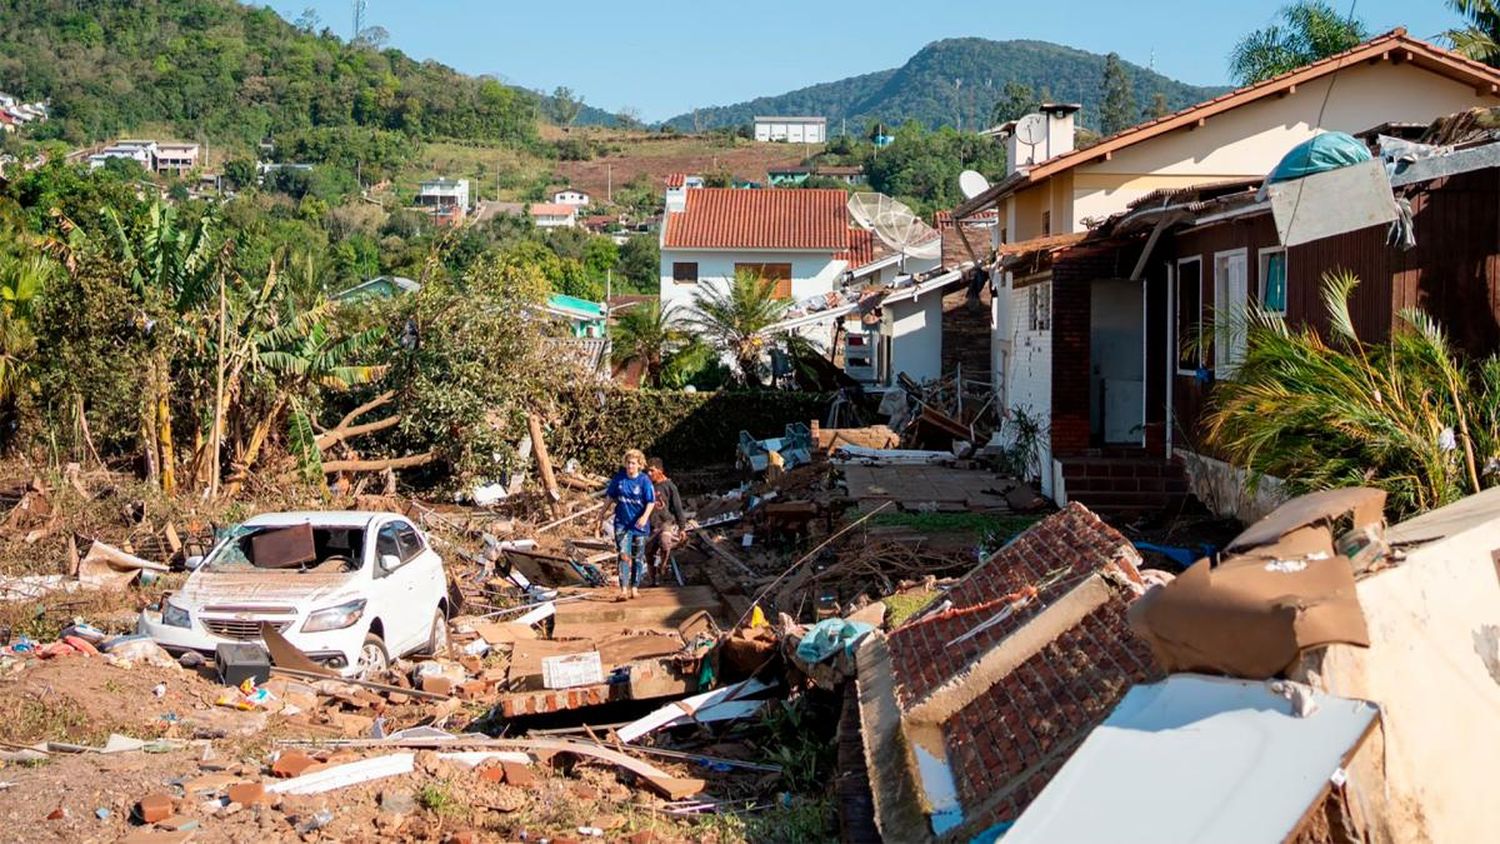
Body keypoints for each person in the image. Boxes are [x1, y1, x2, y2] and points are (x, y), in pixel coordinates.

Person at [605, 448, 655, 599]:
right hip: (622, 523)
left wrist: (645, 517)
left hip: (639, 524)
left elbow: (651, 502)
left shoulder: (644, 481)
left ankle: (634, 587)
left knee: (638, 556)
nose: (630, 466)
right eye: (628, 463)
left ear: (639, 465)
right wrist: (601, 514)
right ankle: (624, 590)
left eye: (633, 463)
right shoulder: (619, 479)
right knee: (623, 555)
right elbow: (609, 497)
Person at [646, 457, 693, 584]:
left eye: (652, 471)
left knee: (665, 543)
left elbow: (677, 507)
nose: (649, 474)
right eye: (647, 471)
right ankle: (652, 580)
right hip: (650, 523)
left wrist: (682, 527)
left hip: (665, 522)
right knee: (649, 552)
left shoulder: (669, 486)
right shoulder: (647, 485)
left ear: (660, 470)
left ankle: (663, 565)